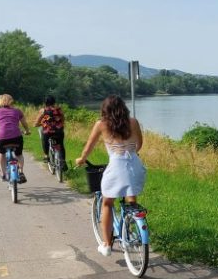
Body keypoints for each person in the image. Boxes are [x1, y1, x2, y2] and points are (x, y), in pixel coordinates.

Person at [75, 95, 146, 257]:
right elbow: (139, 144)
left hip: (116, 167)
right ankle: (132, 224)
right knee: (131, 198)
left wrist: (82, 159)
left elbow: (88, 147)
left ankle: (107, 244)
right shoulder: (133, 122)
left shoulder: (101, 124)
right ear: (123, 108)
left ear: (104, 110)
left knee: (107, 202)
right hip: (135, 164)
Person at [0, 94, 31, 183]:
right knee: (19, 154)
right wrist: (27, 131)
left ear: (0, 101)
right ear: (11, 101)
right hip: (16, 137)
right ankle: (21, 172)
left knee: (1, 153)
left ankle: (3, 174)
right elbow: (24, 124)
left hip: (2, 138)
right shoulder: (17, 111)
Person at [33, 94, 67, 170]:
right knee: (61, 145)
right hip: (59, 131)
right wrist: (61, 124)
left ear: (45, 102)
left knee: (44, 140)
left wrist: (36, 124)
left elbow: (38, 121)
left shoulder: (43, 110)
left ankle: (46, 156)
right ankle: (63, 162)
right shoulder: (59, 109)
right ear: (54, 101)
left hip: (48, 131)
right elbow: (63, 118)